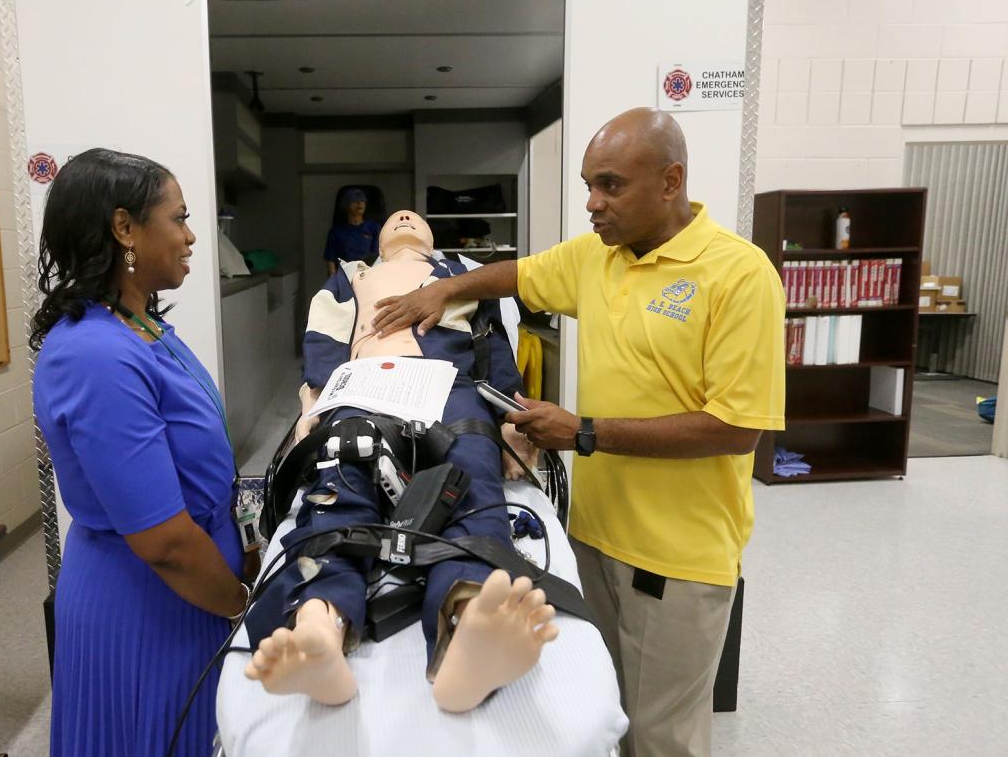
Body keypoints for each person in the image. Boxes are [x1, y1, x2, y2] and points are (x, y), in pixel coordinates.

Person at [371, 109, 785, 757]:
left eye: (611, 186)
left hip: (675, 559)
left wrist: (583, 432)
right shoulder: (601, 258)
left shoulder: (737, 275)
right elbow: (519, 274)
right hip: (594, 537)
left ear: (671, 181)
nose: (592, 203)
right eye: (589, 184)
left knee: (662, 738)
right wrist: (441, 290)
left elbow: (736, 429)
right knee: (604, 711)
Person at [243, 210, 554, 713]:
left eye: (415, 217)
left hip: (448, 386)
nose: (405, 216)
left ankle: (469, 620)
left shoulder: (463, 276)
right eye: (395, 217)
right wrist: (314, 407)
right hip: (363, 386)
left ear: (433, 242)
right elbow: (322, 341)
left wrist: (511, 416)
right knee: (337, 485)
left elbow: (492, 348)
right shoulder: (349, 279)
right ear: (377, 243)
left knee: (470, 476)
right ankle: (320, 622)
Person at [30, 148, 254, 757]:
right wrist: (244, 609)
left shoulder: (144, 328)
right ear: (124, 228)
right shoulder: (96, 355)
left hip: (194, 584)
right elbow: (164, 543)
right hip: (150, 602)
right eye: (178, 219)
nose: (190, 237)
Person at [323, 187, 381, 275]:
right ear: (346, 204)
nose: (359, 203)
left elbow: (379, 256)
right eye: (355, 200)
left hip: (369, 275)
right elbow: (330, 260)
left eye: (362, 200)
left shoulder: (373, 228)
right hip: (346, 276)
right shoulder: (336, 232)